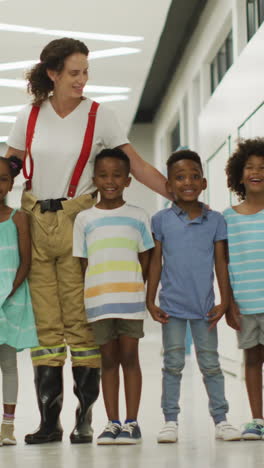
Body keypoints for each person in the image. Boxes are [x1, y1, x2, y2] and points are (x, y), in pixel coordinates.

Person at [5, 37, 168, 445]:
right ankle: (48, 421)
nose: (82, 80)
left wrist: (180, 196)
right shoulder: (29, 116)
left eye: (85, 72)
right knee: (46, 324)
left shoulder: (101, 116)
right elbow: (7, 166)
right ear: (53, 74)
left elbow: (139, 165)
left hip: (79, 221)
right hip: (36, 221)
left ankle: (84, 419)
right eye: (74, 73)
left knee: (80, 322)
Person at [146, 149, 241, 443]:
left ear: (203, 183)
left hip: (204, 309)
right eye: (179, 177)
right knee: (172, 365)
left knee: (211, 365)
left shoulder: (215, 221)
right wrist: (150, 300)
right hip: (171, 308)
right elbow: (155, 262)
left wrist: (224, 301)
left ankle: (221, 419)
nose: (187, 182)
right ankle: (170, 420)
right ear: (170, 185)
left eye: (194, 176)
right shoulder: (161, 220)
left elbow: (221, 264)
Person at [73, 148, 154, 445]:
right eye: (104, 175)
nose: (110, 181)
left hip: (130, 301)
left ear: (128, 180)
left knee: (130, 358)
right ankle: (112, 422)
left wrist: (135, 286)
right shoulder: (84, 219)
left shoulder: (138, 216)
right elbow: (83, 262)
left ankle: (132, 423)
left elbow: (146, 257)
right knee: (108, 361)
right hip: (98, 303)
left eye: (117, 175)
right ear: (94, 180)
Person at [224, 138, 264, 440]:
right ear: (239, 175)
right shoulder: (227, 218)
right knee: (251, 360)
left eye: (263, 167)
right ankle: (257, 419)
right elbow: (224, 266)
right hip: (245, 304)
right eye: (250, 167)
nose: (256, 172)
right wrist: (229, 304)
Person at [0, 157, 38, 446]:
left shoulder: (18, 218)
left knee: (8, 364)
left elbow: (26, 261)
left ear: (11, 183)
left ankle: (7, 427)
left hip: (10, 301)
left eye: (2, 178)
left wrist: (8, 292)